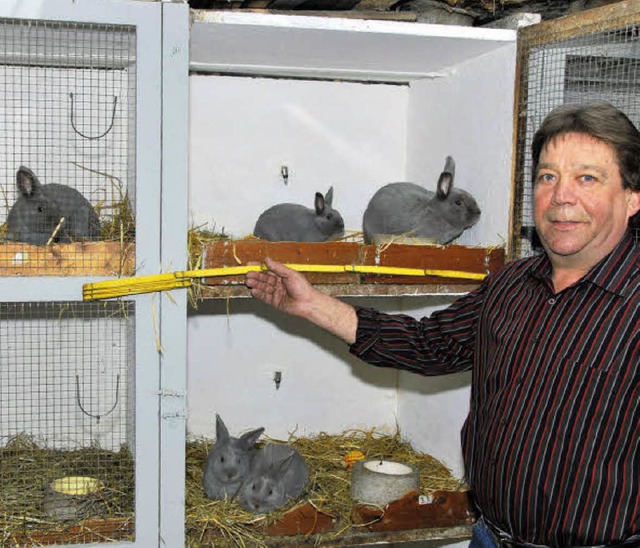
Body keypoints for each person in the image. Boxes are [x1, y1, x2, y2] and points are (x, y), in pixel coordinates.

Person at [244, 101, 640, 547]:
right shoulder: (510, 284)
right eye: (548, 177)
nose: (561, 195)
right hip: (489, 536)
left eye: (587, 178)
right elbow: (428, 344)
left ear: (632, 196)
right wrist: (312, 304)